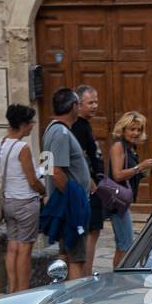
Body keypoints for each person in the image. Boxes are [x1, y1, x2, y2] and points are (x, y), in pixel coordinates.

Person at [41, 87, 93, 278]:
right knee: (76, 258)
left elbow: (46, 165)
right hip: (69, 205)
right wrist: (74, 198)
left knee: (66, 253)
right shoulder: (61, 133)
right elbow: (55, 170)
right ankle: (74, 300)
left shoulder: (50, 130)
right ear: (73, 106)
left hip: (63, 203)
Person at [0, 103, 45, 293]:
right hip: (25, 202)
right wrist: (44, 191)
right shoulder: (22, 148)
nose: (33, 126)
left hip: (8, 201)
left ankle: (12, 289)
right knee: (25, 249)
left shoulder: (1, 143)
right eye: (31, 122)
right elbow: (32, 180)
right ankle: (22, 291)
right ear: (23, 124)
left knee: (13, 246)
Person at [106, 111, 152, 267]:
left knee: (123, 245)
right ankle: (118, 278)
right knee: (126, 245)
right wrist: (140, 166)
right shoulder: (118, 146)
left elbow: (130, 173)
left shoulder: (131, 148)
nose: (136, 133)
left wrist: (144, 171)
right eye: (132, 129)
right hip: (117, 203)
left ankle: (118, 276)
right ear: (123, 130)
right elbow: (117, 175)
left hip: (124, 202)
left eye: (139, 129)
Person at [70, 85, 106, 268]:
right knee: (90, 232)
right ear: (79, 104)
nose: (94, 106)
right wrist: (90, 182)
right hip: (88, 188)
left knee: (94, 231)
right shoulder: (78, 127)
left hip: (93, 186)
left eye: (96, 101)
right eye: (90, 102)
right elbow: (79, 157)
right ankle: (84, 274)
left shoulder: (85, 125)